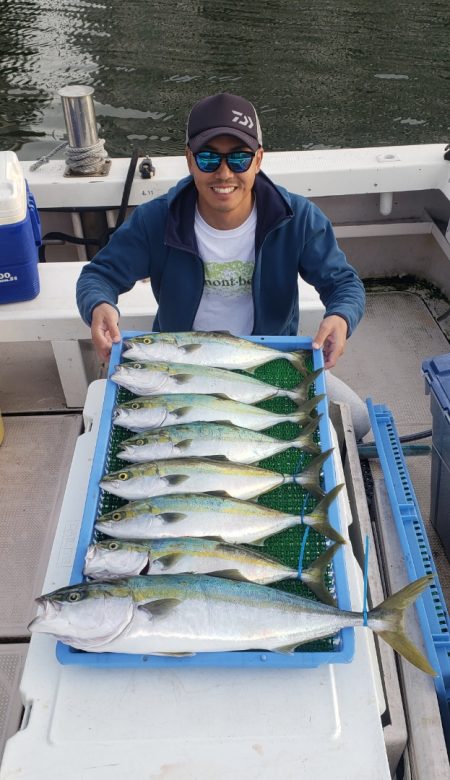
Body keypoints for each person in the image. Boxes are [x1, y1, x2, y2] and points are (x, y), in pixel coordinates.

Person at [76, 92, 369, 438]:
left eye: (240, 158)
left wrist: (340, 317)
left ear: (259, 160)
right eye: (208, 158)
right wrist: (100, 305)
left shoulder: (297, 218)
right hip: (179, 367)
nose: (224, 173)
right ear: (189, 160)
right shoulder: (156, 220)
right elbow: (99, 275)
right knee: (113, 432)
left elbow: (344, 284)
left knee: (358, 420)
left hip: (269, 358)